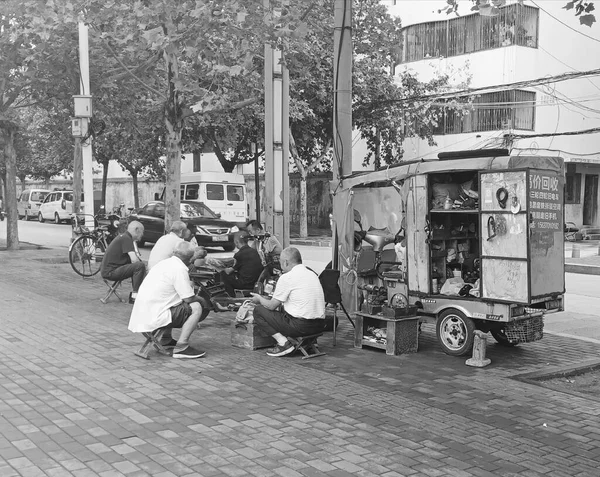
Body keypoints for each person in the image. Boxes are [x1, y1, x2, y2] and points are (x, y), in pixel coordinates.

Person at [128, 241, 207, 359]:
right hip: (154, 316)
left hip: (141, 315)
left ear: (174, 252)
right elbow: (188, 298)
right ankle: (182, 347)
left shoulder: (163, 264)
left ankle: (166, 339)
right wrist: (201, 299)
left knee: (173, 301)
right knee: (196, 306)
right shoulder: (179, 268)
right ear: (190, 258)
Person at [250, 247, 326, 357]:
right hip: (320, 325)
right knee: (287, 309)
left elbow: (271, 306)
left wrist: (259, 299)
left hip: (301, 326)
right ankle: (311, 342)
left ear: (286, 262)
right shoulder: (312, 274)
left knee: (258, 311)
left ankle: (283, 343)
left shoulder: (287, 277)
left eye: (280, 262)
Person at [101, 221, 146, 304]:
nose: (142, 234)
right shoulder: (126, 239)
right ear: (136, 230)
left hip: (108, 270)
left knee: (138, 266)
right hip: (111, 272)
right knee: (139, 266)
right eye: (142, 231)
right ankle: (135, 296)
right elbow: (134, 260)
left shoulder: (124, 237)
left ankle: (138, 293)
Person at [219, 231, 263, 296]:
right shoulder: (254, 252)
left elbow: (228, 271)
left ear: (236, 242)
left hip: (246, 284)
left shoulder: (239, 254)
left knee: (224, 275)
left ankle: (230, 297)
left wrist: (219, 266)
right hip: (255, 282)